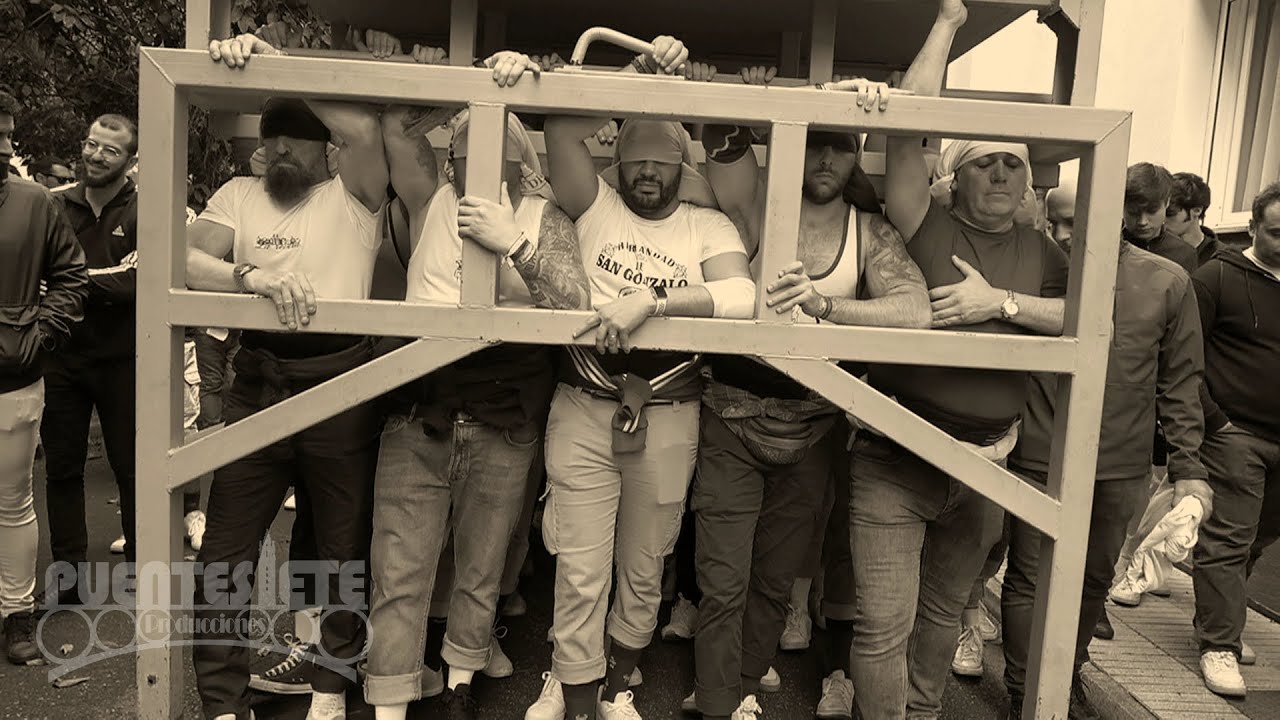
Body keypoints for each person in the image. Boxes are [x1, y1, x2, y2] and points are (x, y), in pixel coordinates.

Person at [493, 40, 756, 720]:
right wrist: (636, 75)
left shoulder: (707, 223)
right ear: (618, 161)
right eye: (635, 159)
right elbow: (559, 127)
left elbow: (740, 297)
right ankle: (575, 690)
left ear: (681, 167)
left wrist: (656, 302)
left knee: (645, 565)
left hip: (668, 409)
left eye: (661, 162)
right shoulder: (595, 202)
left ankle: (617, 684)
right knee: (579, 563)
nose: (646, 173)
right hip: (584, 399)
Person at [833, 1, 1071, 717]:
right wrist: (946, 25)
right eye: (985, 163)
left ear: (1028, 184)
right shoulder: (924, 221)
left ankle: (924, 713)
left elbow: (1089, 321)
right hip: (893, 455)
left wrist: (998, 303)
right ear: (956, 177)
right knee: (883, 624)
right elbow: (906, 137)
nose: (1000, 174)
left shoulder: (1047, 253)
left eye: (1013, 165)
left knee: (943, 617)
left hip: (986, 464)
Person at [684, 62, 929, 720]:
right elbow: (721, 134)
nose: (825, 154)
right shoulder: (759, 203)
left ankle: (734, 690)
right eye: (814, 137)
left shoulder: (868, 230)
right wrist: (774, 92)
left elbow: (915, 309)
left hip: (816, 425)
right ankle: (715, 703)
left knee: (772, 582)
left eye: (840, 142)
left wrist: (826, 305)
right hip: (731, 416)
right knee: (723, 579)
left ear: (856, 154)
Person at [363, 91, 591, 720]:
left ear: (522, 163)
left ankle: (460, 683)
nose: (480, 166)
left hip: (505, 409)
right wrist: (479, 88)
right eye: (464, 151)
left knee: (482, 563)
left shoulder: (544, 216)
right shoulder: (429, 196)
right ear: (450, 161)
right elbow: (394, 124)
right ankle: (390, 704)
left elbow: (575, 301)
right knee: (400, 565)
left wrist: (515, 241)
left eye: (498, 152)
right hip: (421, 403)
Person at [186, 33, 389, 720]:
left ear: (324, 148)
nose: (276, 154)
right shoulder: (240, 194)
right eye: (270, 141)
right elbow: (183, 260)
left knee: (338, 549)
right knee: (225, 552)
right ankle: (220, 700)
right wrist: (253, 276)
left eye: (294, 142)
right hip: (258, 378)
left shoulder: (355, 190)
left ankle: (328, 688)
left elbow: (363, 126)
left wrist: (280, 65)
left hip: (340, 382)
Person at [1000, 179, 1212, 718]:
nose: (1067, 235)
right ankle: (1025, 693)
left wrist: (1188, 466)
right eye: (1058, 222)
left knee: (1094, 577)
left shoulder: (1167, 281)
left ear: (1118, 214)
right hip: (1039, 451)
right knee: (1029, 576)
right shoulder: (1035, 269)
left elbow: (1180, 381)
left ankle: (1064, 677)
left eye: (1080, 221)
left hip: (1119, 461)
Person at [0, 90, 89, 665]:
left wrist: (36, 335)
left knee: (12, 501)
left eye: (7, 135)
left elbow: (71, 276)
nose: (5, 147)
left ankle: (16, 613)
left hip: (13, 377)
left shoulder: (33, 202)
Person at [39, 113, 142, 596]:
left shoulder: (146, 207)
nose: (95, 155)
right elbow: (35, 277)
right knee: (62, 467)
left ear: (131, 160)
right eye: (91, 144)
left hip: (124, 359)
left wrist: (70, 281)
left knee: (132, 467)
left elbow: (137, 281)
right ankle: (69, 577)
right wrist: (104, 278)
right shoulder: (52, 204)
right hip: (62, 360)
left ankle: (145, 567)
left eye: (110, 150)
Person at [1191, 181, 1280, 699]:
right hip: (1236, 433)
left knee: (1261, 534)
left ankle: (1223, 616)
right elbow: (1185, 358)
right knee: (1230, 536)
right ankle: (1218, 643)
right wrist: (1214, 421)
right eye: (1276, 232)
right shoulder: (1217, 277)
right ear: (1251, 228)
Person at [1122, 163, 1198, 275]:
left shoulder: (1184, 254)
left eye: (1151, 211)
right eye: (1133, 212)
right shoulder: (1106, 246)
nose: (1142, 221)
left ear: (1167, 202)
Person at [1165, 172, 1220, 270]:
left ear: (1197, 210)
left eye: (1170, 214)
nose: (1163, 220)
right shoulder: (1153, 248)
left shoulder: (1220, 258)